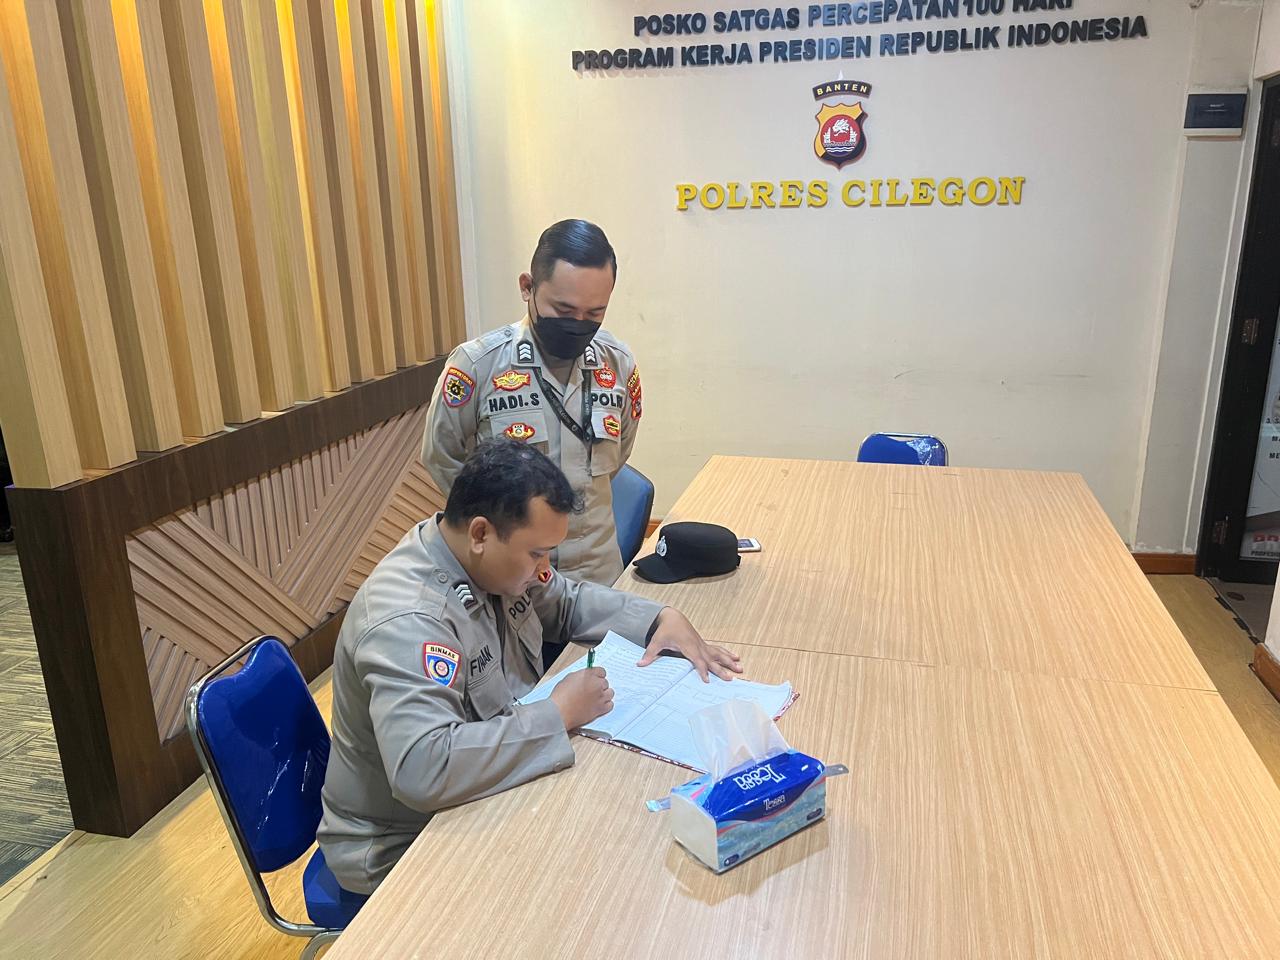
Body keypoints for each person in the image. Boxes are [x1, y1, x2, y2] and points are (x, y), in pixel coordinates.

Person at [318, 439, 740, 895]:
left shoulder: (485, 560)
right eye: (537, 553)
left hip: (482, 788)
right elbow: (425, 768)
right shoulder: (409, 620)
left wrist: (658, 618)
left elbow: (567, 602)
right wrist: (557, 714)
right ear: (480, 533)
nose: (544, 568)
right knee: (600, 878)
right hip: (403, 845)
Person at [420, 219, 643, 590]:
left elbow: (618, 456)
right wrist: (501, 524)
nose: (578, 323)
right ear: (528, 287)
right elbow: (441, 456)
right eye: (564, 309)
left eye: (594, 313)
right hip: (512, 579)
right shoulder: (478, 365)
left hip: (599, 575)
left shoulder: (617, 364)